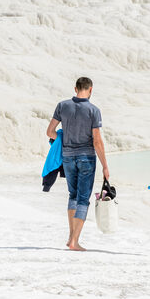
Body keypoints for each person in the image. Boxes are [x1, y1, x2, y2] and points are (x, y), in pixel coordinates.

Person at [46, 77, 109, 251]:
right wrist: (105, 165)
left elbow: (49, 132)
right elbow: (97, 141)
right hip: (86, 158)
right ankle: (74, 241)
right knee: (83, 199)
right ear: (91, 90)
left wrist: (62, 138)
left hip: (67, 157)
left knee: (73, 195)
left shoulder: (62, 106)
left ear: (75, 89)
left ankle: (70, 237)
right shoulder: (93, 110)